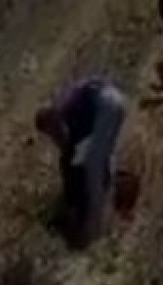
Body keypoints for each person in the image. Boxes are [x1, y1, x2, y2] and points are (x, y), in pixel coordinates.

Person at [35, 77, 128, 249]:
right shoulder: (68, 107)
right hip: (113, 101)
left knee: (94, 170)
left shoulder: (68, 114)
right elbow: (73, 148)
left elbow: (72, 149)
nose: (52, 135)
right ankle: (116, 198)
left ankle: (96, 230)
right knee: (100, 160)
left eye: (50, 130)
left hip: (106, 107)